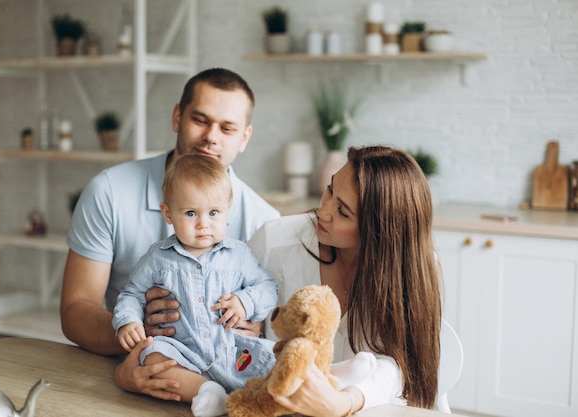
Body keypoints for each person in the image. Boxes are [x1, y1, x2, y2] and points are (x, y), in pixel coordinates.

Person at [133, 145, 442, 415]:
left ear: (380, 232)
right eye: (331, 189)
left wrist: (342, 403)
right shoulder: (276, 239)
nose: (323, 211)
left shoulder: (409, 270)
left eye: (343, 212)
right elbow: (220, 309)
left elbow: (396, 367)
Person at [60, 68, 280, 398]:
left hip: (231, 368)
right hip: (139, 364)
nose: (211, 136)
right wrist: (141, 335)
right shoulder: (108, 191)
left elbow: (277, 313)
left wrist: (257, 320)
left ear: (244, 137)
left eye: (227, 128)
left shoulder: (265, 221)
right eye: (200, 120)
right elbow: (75, 310)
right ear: (178, 116)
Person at [112, 154, 277, 417]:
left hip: (230, 347)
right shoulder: (157, 257)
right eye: (191, 213)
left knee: (279, 358)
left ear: (227, 208)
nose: (203, 224)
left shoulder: (238, 254)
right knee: (151, 356)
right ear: (168, 213)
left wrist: (245, 302)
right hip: (181, 351)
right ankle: (207, 392)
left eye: (213, 212)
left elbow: (267, 287)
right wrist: (128, 321)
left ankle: (329, 377)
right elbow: (132, 294)